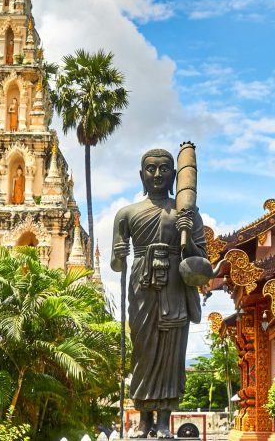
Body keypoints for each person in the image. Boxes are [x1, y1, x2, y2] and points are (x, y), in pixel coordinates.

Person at [111, 149, 207, 439]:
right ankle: (143, 421)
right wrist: (119, 254)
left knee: (170, 354)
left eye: (164, 169)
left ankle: (164, 421)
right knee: (143, 353)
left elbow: (201, 263)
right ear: (141, 175)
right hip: (142, 287)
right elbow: (117, 265)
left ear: (174, 175)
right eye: (150, 169)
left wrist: (187, 235)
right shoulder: (126, 214)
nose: (157, 175)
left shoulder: (187, 215)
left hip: (175, 287)